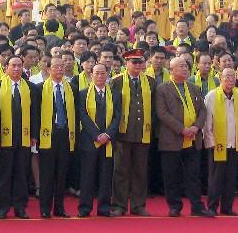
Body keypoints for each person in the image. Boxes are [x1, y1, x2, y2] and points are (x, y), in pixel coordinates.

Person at [155, 57, 214, 217]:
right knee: (171, 175)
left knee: (194, 175)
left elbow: (203, 110)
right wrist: (182, 129)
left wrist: (195, 127)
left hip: (193, 138)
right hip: (171, 139)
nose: (185, 69)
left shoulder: (194, 88)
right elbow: (162, 113)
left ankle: (197, 206)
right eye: (181, 66)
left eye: (187, 66)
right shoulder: (162, 89)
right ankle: (174, 206)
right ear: (171, 70)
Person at [0, 55, 38, 219]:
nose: (16, 69)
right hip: (3, 139)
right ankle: (3, 207)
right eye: (13, 66)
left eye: (19, 66)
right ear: (6, 68)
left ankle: (20, 206)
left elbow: (34, 114)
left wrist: (34, 135)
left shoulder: (30, 88)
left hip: (23, 138)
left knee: (21, 174)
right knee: (4, 174)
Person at [110, 49, 156, 217]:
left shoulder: (150, 82)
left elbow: (153, 109)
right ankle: (119, 205)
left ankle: (138, 205)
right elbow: (112, 108)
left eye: (140, 62)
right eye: (134, 62)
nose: (138, 65)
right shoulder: (116, 82)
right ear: (126, 63)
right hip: (123, 133)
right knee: (120, 170)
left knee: (140, 171)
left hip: (143, 132)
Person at [36, 57, 79, 218]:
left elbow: (76, 115)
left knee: (62, 174)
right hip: (48, 135)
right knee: (47, 175)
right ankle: (45, 208)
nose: (60, 69)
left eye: (62, 67)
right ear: (48, 69)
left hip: (66, 135)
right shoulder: (39, 88)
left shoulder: (72, 88)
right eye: (56, 67)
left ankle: (59, 208)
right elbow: (35, 115)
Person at [77, 63, 121, 218]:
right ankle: (84, 207)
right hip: (89, 140)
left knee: (105, 175)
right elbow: (83, 117)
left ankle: (103, 207)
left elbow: (117, 117)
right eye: (97, 73)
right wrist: (97, 135)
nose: (100, 76)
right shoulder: (83, 94)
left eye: (103, 73)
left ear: (107, 74)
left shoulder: (115, 94)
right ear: (91, 75)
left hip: (108, 141)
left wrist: (107, 135)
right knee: (87, 175)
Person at [203, 68, 238, 216]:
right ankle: (212, 206)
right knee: (216, 177)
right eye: (227, 76)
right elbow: (207, 122)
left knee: (231, 177)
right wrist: (210, 141)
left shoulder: (237, 94)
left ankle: (227, 207)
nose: (230, 79)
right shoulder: (212, 96)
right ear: (220, 77)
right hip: (217, 143)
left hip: (234, 143)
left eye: (233, 76)